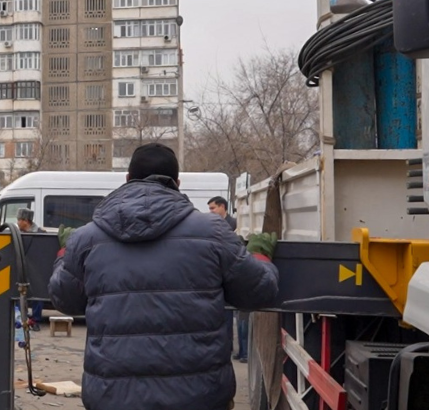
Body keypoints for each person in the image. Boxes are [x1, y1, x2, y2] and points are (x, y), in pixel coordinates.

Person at [48, 143, 279, 410]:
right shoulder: (212, 230)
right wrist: (260, 255)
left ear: (127, 180)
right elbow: (257, 292)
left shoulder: (86, 238)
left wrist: (66, 252)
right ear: (177, 183)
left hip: (112, 398)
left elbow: (65, 300)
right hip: (199, 397)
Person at [209, 196, 249, 363]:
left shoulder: (234, 225)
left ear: (222, 207)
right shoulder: (212, 225)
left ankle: (243, 350)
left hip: (232, 277)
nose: (211, 212)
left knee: (240, 318)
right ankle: (230, 347)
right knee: (227, 317)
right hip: (221, 278)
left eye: (213, 208)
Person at [16, 208, 46, 331]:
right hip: (22, 269)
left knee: (37, 296)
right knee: (18, 294)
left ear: (26, 221)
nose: (17, 223)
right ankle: (20, 319)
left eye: (19, 220)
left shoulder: (41, 234)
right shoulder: (18, 233)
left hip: (36, 270)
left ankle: (35, 320)